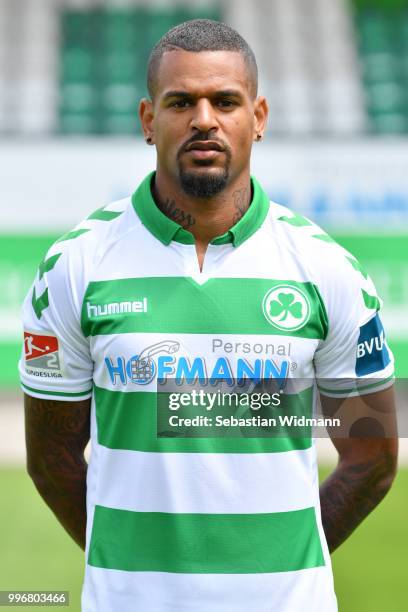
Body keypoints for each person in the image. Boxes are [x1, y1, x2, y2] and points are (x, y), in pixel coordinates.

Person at [20, 19, 398, 612]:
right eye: (181, 102)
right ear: (149, 120)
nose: (204, 119)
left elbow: (372, 455)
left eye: (225, 101)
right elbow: (50, 460)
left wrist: (285, 569)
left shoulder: (328, 267)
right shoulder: (75, 265)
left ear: (259, 117)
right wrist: (128, 573)